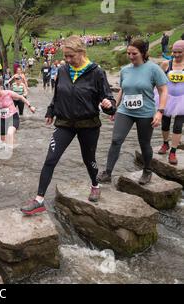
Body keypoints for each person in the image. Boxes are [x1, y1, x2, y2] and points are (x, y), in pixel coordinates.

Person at [20, 36, 116, 215]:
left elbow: (108, 98)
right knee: (50, 159)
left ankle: (95, 185)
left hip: (88, 124)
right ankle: (39, 200)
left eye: (71, 56)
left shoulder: (96, 72)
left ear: (81, 52)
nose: (68, 60)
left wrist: (109, 105)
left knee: (89, 159)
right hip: (64, 123)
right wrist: (50, 111)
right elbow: (58, 95)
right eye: (65, 56)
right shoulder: (64, 70)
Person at [98, 39, 168, 185]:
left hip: (146, 112)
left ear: (143, 53)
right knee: (116, 140)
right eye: (128, 53)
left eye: (134, 53)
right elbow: (123, 90)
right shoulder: (125, 70)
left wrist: (160, 111)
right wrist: (114, 108)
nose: (130, 56)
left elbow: (163, 90)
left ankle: (147, 171)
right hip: (125, 111)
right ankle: (107, 173)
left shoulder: (154, 69)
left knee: (144, 143)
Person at [155, 40, 184, 164]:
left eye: (180, 52)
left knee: (178, 126)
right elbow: (158, 81)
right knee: (165, 124)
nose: (176, 55)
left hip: (182, 100)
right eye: (174, 52)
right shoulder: (166, 64)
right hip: (168, 98)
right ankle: (165, 143)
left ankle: (173, 152)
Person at [0, 80, 35, 147]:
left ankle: (12, 152)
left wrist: (30, 106)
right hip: (2, 120)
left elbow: (21, 97)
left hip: (13, 117)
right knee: (3, 141)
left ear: (0, 88)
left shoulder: (8, 93)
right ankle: (13, 150)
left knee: (10, 133)